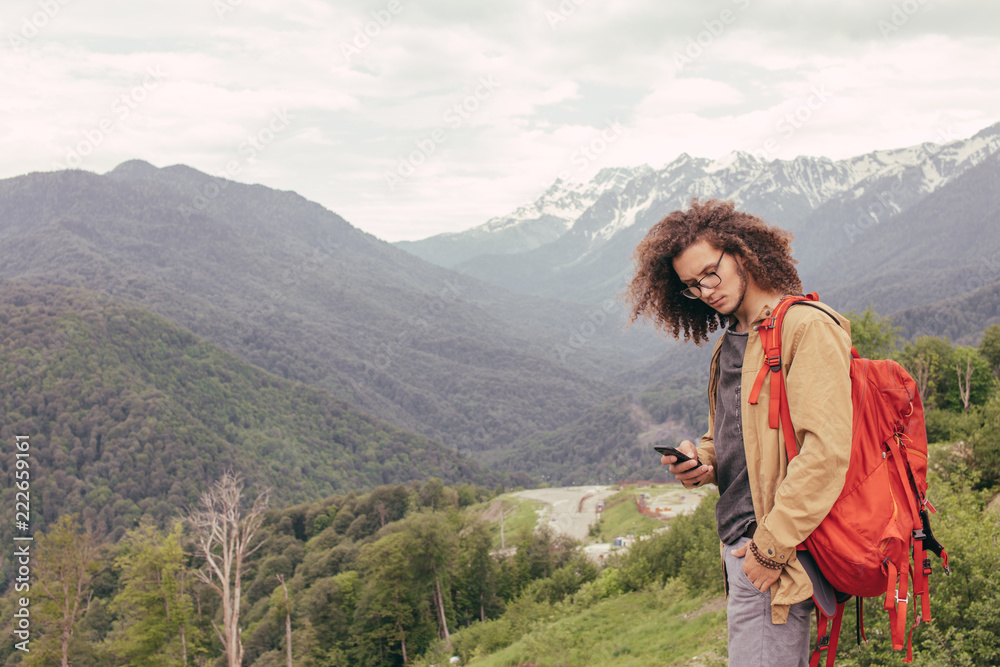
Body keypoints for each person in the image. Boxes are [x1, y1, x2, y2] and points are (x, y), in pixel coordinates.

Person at [624, 199, 853, 667]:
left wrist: (768, 550)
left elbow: (826, 452)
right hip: (742, 548)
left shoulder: (805, 328)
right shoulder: (735, 337)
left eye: (710, 273)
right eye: (690, 285)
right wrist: (703, 460)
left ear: (742, 253)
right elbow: (737, 433)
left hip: (775, 551)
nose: (704, 290)